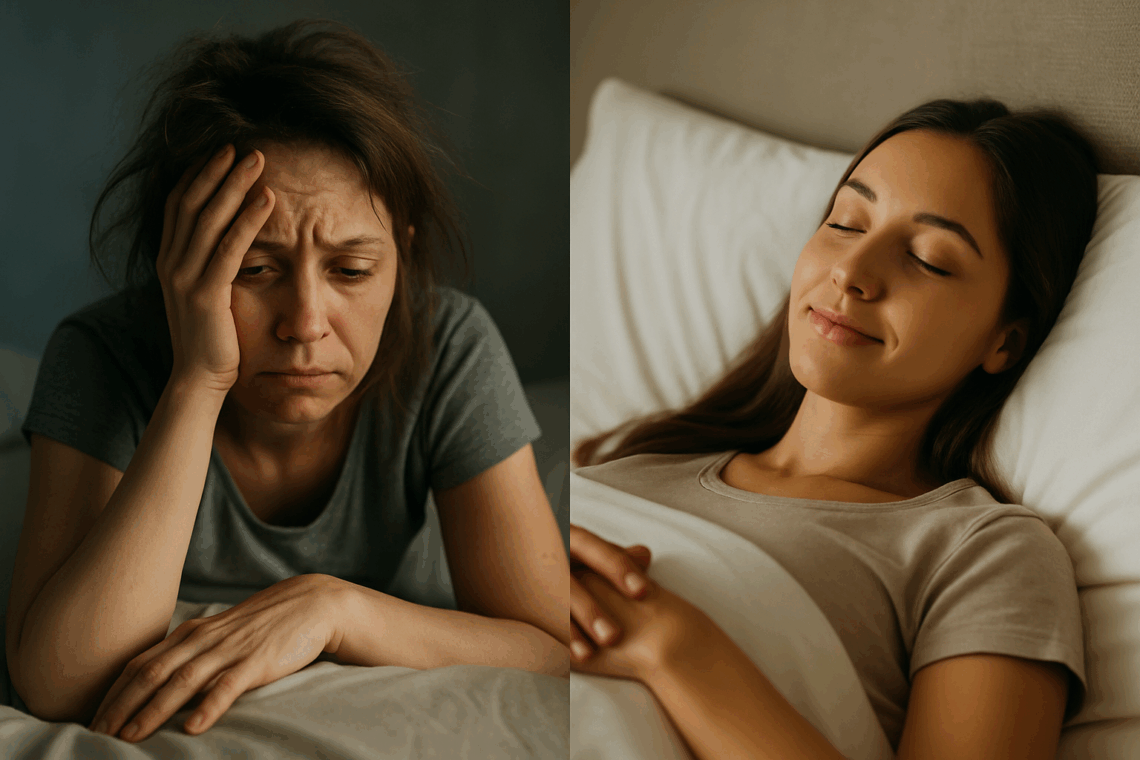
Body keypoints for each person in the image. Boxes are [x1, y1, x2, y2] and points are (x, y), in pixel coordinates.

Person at [4, 19, 569, 742]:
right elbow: (57, 684)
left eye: (352, 271)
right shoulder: (101, 354)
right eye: (254, 269)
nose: (305, 323)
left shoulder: (448, 347)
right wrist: (197, 382)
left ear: (401, 258)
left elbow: (550, 648)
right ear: (178, 264)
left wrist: (334, 607)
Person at [568, 97, 1099, 758]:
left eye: (930, 259)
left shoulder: (979, 553)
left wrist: (675, 650)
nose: (851, 272)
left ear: (1005, 342)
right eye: (846, 223)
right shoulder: (623, 464)